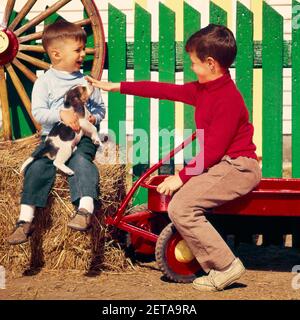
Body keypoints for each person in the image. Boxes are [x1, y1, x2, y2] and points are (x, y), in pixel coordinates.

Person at [86, 24, 261, 292]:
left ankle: (226, 267)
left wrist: (181, 177)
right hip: (223, 165)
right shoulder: (205, 89)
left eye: (193, 62)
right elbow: (163, 90)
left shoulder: (227, 99)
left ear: (211, 63)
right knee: (182, 204)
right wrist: (116, 86)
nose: (191, 67)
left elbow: (212, 152)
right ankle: (220, 263)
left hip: (237, 167)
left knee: (181, 207)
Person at [8, 19, 105, 245]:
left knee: (81, 161)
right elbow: (39, 113)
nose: (83, 54)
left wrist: (93, 118)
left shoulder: (86, 81)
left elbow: (100, 109)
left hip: (81, 139)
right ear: (56, 54)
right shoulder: (45, 83)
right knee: (37, 167)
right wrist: (60, 115)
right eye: (78, 50)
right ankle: (25, 220)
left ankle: (84, 210)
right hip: (54, 137)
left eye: (84, 49)